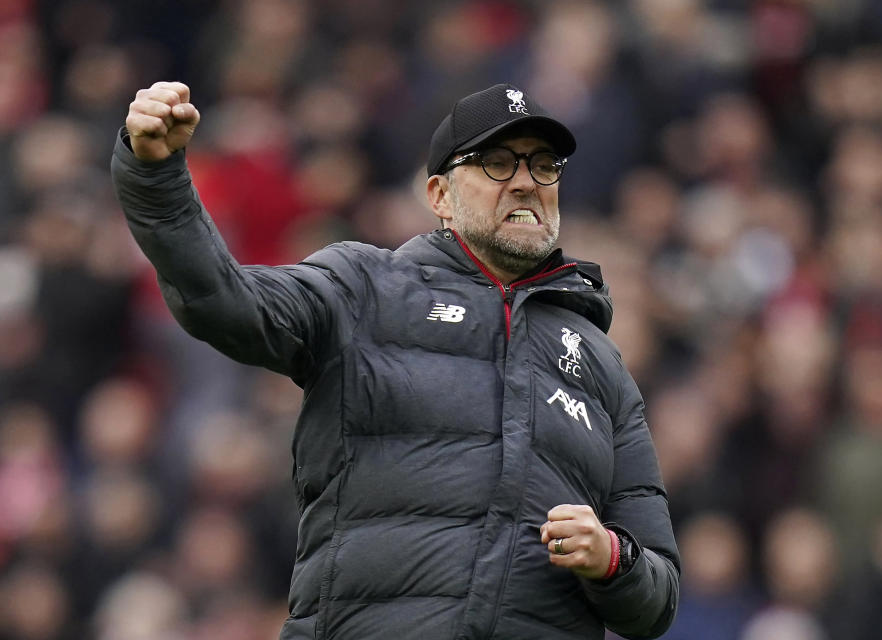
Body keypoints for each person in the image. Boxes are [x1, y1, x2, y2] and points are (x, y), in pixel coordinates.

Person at [112, 80, 680, 640]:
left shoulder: (602, 365)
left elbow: (656, 601)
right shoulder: (364, 287)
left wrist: (612, 558)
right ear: (439, 196)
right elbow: (225, 305)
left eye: (543, 165)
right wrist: (157, 177)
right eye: (499, 163)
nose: (527, 183)